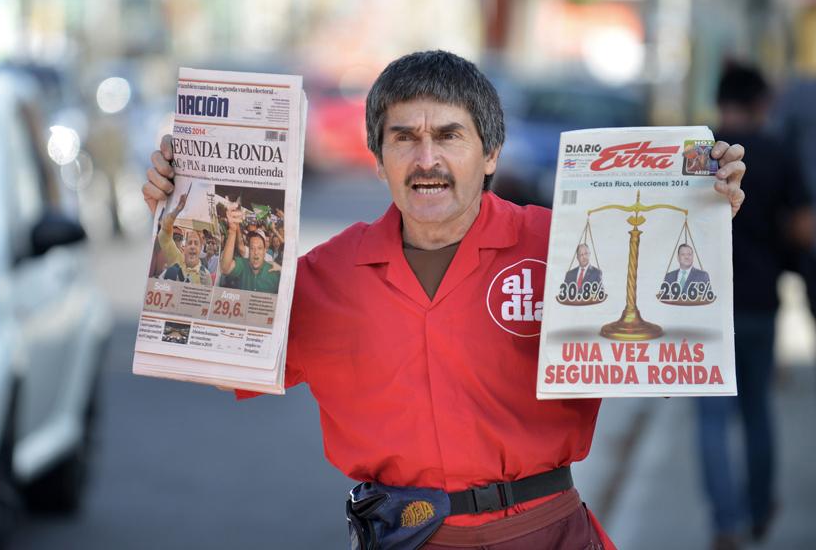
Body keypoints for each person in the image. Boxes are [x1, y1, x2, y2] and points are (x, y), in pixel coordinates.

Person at [142, 50, 747, 550]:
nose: (425, 159)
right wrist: (181, 213)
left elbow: (672, 328)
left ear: (489, 154)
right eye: (403, 137)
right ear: (378, 160)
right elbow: (220, 356)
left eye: (448, 135)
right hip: (401, 538)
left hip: (546, 534)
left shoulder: (562, 244)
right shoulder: (326, 275)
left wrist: (705, 202)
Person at [694, 62, 811, 550]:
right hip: (761, 305)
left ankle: (726, 523)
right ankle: (759, 510)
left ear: (719, 103)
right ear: (761, 104)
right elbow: (803, 227)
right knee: (758, 410)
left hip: (703, 308)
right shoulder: (780, 152)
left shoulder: (698, 156)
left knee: (712, 419)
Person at [219, 209, 281, 293]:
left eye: (259, 248)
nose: (256, 252)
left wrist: (282, 270)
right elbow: (225, 268)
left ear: (265, 250)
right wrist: (233, 231)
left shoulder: (274, 273)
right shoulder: (242, 265)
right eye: (252, 248)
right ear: (249, 250)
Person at [157, 192, 212, 285]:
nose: (192, 246)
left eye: (196, 243)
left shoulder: (206, 276)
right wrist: (177, 211)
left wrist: (207, 287)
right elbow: (164, 236)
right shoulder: (176, 258)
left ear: (200, 249)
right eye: (190, 243)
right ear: (185, 247)